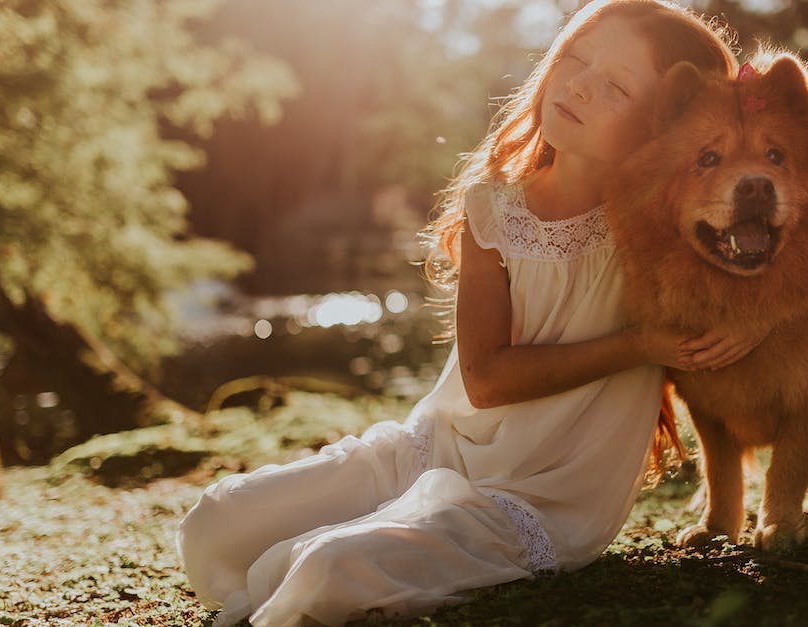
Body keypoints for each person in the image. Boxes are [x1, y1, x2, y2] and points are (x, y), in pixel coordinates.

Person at [176, 2, 753, 625]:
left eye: (616, 85)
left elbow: (768, 281)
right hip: (438, 448)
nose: (581, 84)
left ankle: (353, 551)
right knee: (217, 524)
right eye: (575, 59)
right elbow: (486, 381)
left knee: (327, 569)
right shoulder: (494, 205)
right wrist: (640, 345)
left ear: (662, 124)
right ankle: (352, 530)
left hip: (541, 495)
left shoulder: (668, 229)